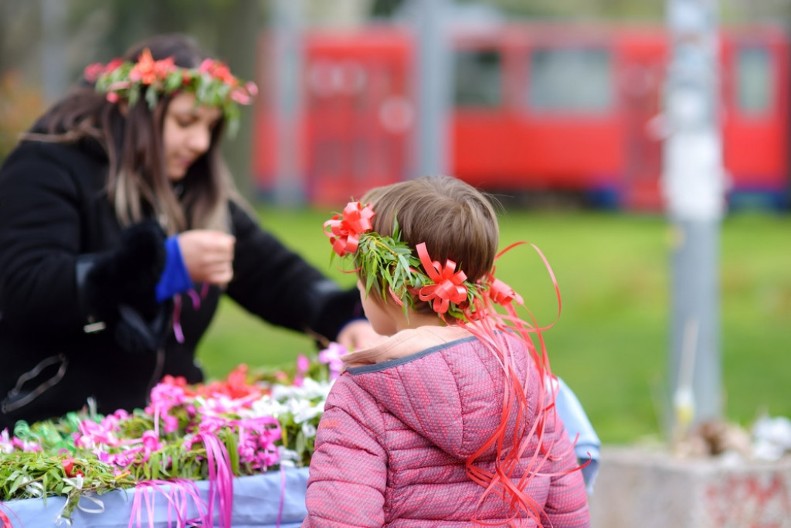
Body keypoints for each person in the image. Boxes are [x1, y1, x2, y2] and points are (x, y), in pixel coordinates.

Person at [0, 34, 375, 431]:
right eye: (185, 121)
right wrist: (162, 268)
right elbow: (26, 288)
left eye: (210, 127)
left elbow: (272, 273)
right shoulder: (47, 165)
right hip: (48, 428)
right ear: (135, 110)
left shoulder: (192, 189)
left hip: (159, 431)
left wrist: (343, 319)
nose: (199, 142)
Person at [303, 176, 590, 527]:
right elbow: (566, 507)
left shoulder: (363, 393)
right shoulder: (523, 373)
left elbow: (342, 519)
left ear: (388, 288)